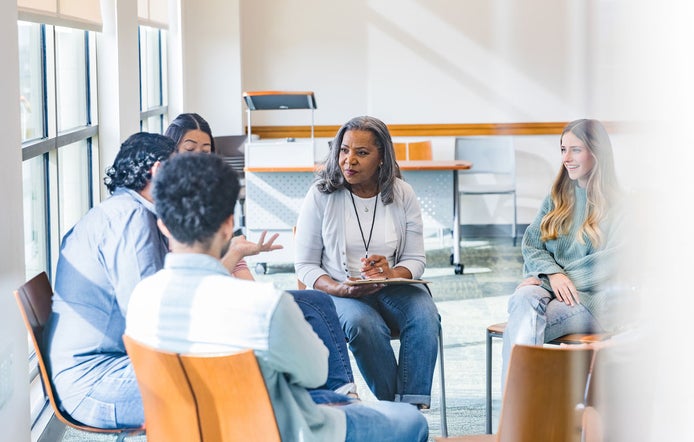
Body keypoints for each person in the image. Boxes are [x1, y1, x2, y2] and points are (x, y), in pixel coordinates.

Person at [126, 152, 429, 441]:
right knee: (409, 420)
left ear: (162, 223)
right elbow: (315, 372)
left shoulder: (141, 301)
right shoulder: (264, 305)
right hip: (287, 432)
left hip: (190, 433)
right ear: (229, 223)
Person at [164, 112, 358, 399]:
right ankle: (332, 397)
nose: (199, 158)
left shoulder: (213, 200)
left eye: (206, 151)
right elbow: (196, 282)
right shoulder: (171, 206)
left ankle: (343, 392)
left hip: (232, 296)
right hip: (205, 307)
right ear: (171, 153)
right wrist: (237, 253)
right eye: (189, 150)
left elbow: (240, 273)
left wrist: (257, 292)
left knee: (314, 302)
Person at [294, 115, 440, 409]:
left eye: (361, 153)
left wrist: (391, 272)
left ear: (382, 158)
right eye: (344, 150)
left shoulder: (402, 193)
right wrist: (339, 288)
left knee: (426, 314)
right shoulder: (321, 195)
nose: (349, 160)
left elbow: (415, 259)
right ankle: (399, 407)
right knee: (363, 324)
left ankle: (410, 407)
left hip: (392, 286)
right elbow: (305, 266)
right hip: (340, 289)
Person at [44, 132, 175, 428]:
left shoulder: (124, 211)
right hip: (97, 382)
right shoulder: (130, 219)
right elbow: (149, 318)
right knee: (224, 381)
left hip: (103, 367)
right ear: (158, 171)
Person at [501, 118, 626, 383]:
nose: (566, 158)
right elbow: (532, 245)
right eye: (562, 149)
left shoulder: (620, 207)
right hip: (552, 289)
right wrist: (552, 277)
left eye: (575, 149)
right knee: (524, 302)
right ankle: (523, 413)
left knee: (522, 323)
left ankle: (519, 413)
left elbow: (610, 265)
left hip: (591, 301)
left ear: (597, 152)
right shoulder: (557, 197)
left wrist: (549, 277)